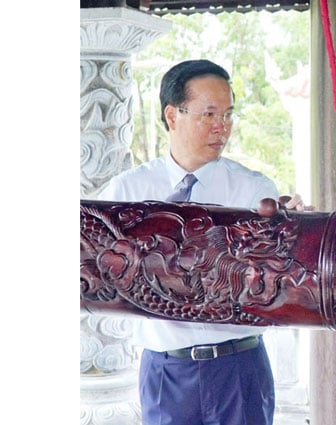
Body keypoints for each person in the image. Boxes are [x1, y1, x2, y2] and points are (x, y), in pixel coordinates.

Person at [97, 59, 303, 425]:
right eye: (209, 114)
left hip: (239, 369)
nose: (221, 127)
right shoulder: (126, 192)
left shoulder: (254, 192)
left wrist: (298, 229)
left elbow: (278, 270)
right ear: (172, 115)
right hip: (166, 372)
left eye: (228, 115)